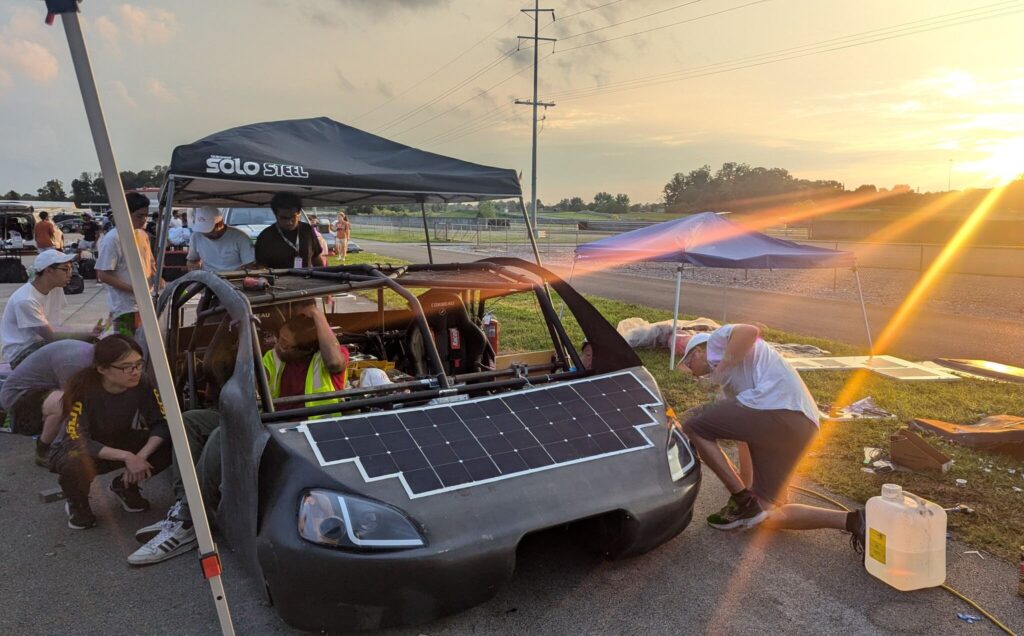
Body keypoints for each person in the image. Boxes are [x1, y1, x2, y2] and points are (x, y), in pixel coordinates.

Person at [128, 304, 349, 565]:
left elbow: (334, 361)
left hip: (299, 435)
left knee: (223, 435)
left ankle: (189, 521)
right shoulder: (276, 357)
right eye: (279, 338)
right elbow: (236, 374)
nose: (278, 346)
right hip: (268, 422)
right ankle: (185, 507)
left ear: (307, 349)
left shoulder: (328, 360)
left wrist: (318, 315)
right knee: (190, 422)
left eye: (287, 345)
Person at [678, 324, 865, 550]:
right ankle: (854, 520)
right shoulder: (733, 388)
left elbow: (749, 331)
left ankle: (745, 502)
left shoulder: (717, 341)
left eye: (689, 364)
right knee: (767, 515)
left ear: (698, 351)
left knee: (693, 424)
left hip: (780, 410)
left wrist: (741, 497)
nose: (695, 375)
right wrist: (746, 487)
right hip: (802, 427)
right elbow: (743, 440)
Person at [48, 335, 172, 530]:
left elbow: (161, 423)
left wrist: (141, 456)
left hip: (118, 438)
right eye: (125, 367)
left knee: (173, 443)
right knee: (74, 462)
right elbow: (77, 439)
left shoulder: (141, 382)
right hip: (75, 448)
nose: (135, 372)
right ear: (102, 369)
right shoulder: (82, 389)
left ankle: (125, 486)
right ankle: (77, 503)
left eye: (139, 364)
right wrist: (128, 456)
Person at [0, 340, 94, 466]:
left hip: (44, 391)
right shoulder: (74, 363)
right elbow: (77, 401)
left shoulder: (91, 356)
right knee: (64, 403)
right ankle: (43, 450)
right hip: (18, 397)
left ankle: (58, 442)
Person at [0, 249, 96, 368]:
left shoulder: (56, 288)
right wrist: (86, 334)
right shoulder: (26, 300)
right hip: (22, 354)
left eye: (71, 268)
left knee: (90, 347)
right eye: (65, 269)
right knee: (78, 353)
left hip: (43, 344)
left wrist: (88, 334)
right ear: (48, 271)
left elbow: (55, 328)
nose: (70, 273)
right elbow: (51, 335)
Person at [95, 192, 157, 338]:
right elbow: (103, 274)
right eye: (139, 216)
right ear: (125, 214)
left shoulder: (142, 235)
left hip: (146, 303)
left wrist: (157, 279)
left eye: (145, 216)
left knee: (147, 347)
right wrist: (134, 289)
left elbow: (151, 262)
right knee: (127, 346)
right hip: (125, 308)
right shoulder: (113, 239)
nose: (143, 220)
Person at [254, 192, 325, 268]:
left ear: (299, 213)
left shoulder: (307, 230)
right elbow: (261, 266)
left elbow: (316, 258)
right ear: (275, 215)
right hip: (279, 279)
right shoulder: (265, 236)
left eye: (293, 217)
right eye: (283, 218)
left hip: (306, 278)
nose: (289, 222)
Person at [186, 206, 256, 273]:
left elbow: (249, 265)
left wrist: (241, 271)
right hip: (207, 278)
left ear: (220, 224)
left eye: (208, 230)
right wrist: (193, 267)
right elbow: (192, 260)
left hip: (233, 280)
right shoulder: (196, 236)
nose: (205, 234)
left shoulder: (240, 237)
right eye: (202, 230)